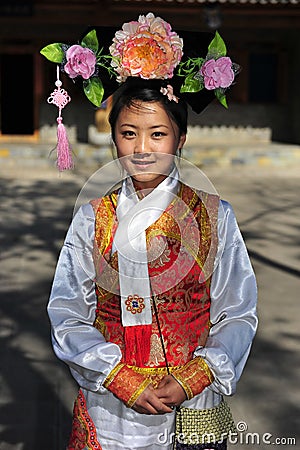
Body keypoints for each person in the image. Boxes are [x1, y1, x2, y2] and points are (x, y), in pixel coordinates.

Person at [44, 13, 258, 450]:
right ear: (113, 141)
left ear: (181, 139)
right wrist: (117, 378)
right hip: (113, 406)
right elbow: (67, 312)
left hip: (194, 402)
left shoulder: (214, 216)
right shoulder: (93, 218)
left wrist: (197, 376)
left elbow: (237, 311)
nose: (142, 149)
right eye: (128, 133)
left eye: (158, 133)